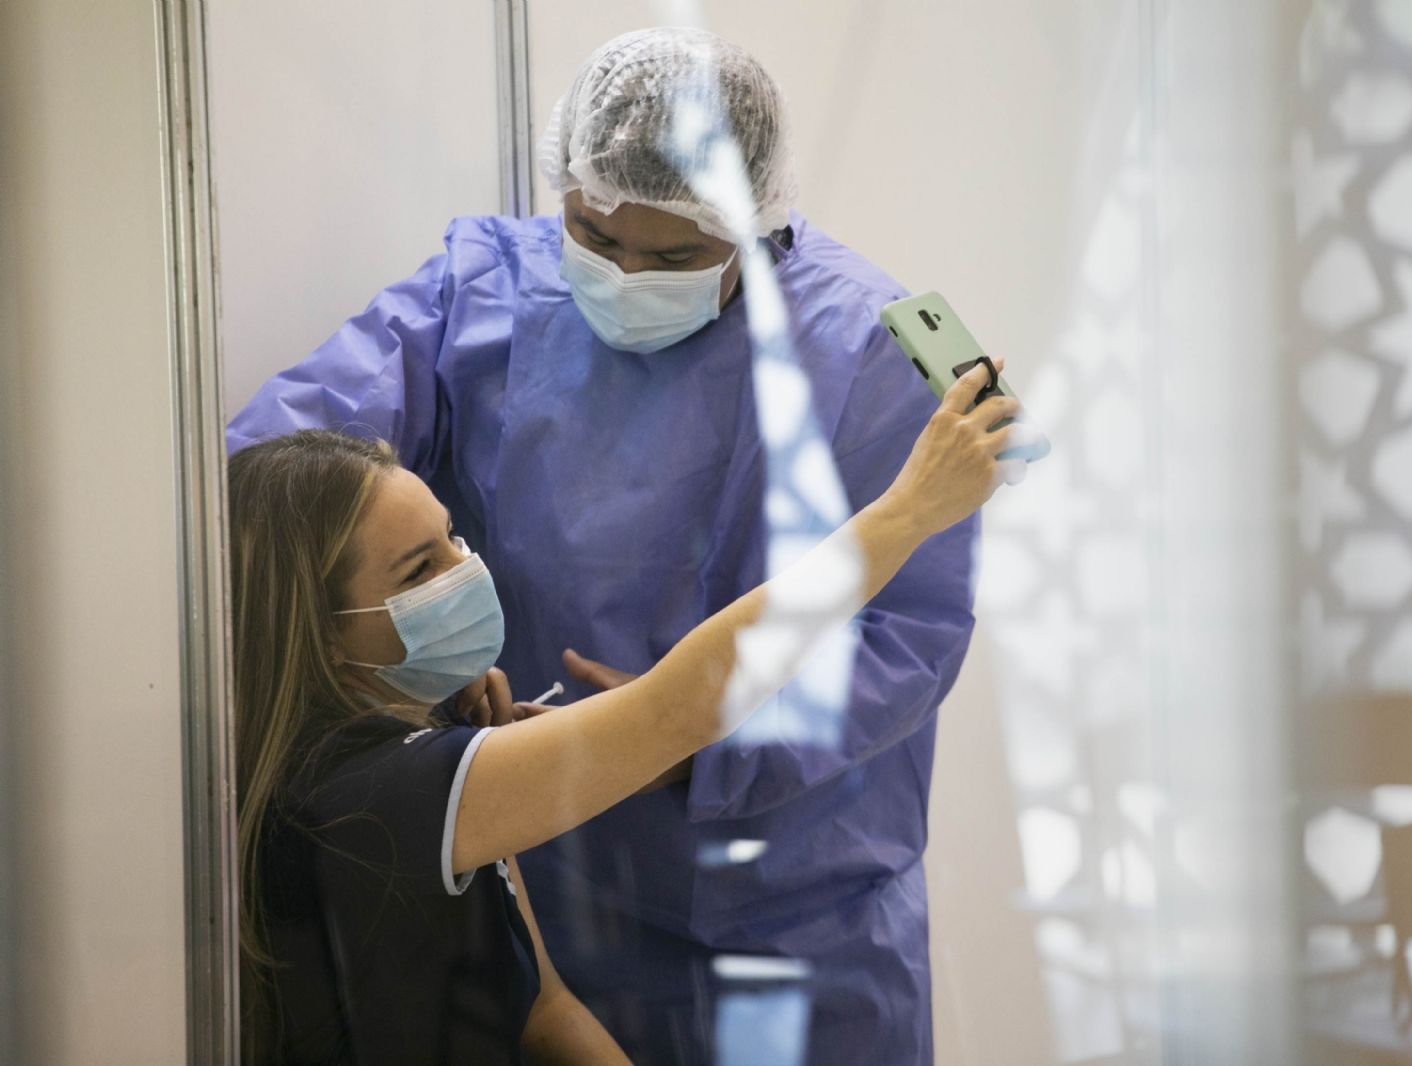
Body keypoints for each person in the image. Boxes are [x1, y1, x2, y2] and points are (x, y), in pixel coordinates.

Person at [228, 26, 983, 1064]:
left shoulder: (867, 352)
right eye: (592, 236)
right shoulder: (484, 290)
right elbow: (276, 481)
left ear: (756, 221)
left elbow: (906, 631)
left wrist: (707, 748)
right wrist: (410, 661)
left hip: (796, 916)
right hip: (547, 867)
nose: (625, 275)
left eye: (672, 257)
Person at [231, 368, 1022, 1063]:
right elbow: (680, 709)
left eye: (452, 539)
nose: (463, 572)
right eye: (419, 571)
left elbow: (544, 1007)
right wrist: (909, 512)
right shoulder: (372, 795)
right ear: (319, 629)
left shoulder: (431, 758)